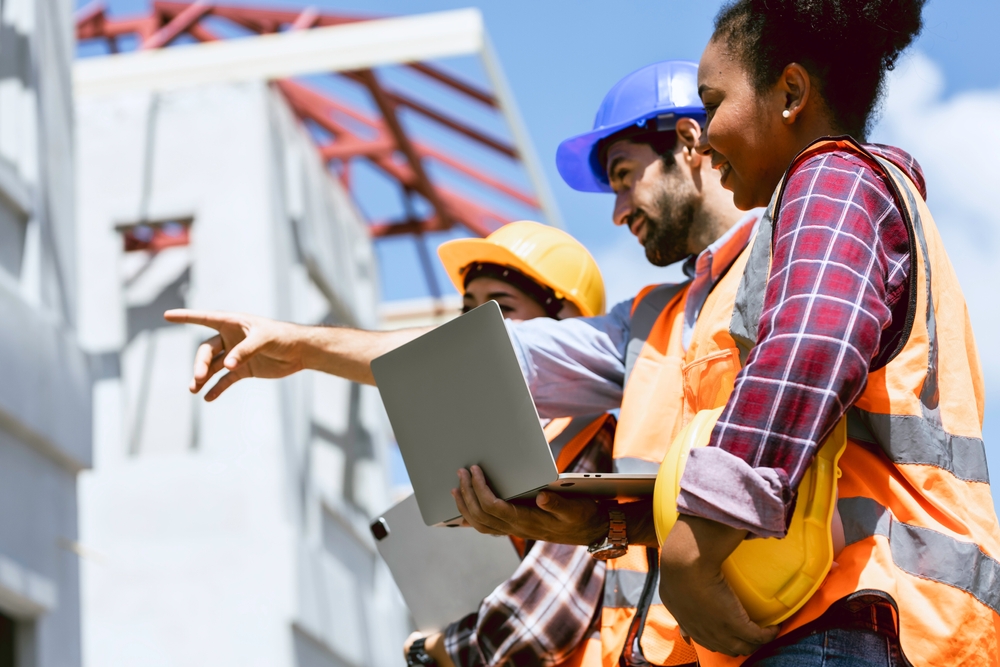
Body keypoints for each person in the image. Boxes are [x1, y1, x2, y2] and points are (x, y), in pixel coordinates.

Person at [165, 60, 755, 666]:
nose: (617, 210)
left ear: (688, 143)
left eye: (625, 176)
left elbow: (540, 619)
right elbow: (477, 362)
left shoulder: (785, 265)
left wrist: (442, 650)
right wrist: (299, 346)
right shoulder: (648, 323)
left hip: (801, 627)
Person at [645, 1, 1000, 665]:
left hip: (844, 619)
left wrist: (697, 544)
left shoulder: (830, 176)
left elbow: (814, 342)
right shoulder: (866, 193)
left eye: (713, 100)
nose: (703, 130)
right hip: (884, 623)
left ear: (791, 92)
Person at [404, 220, 614, 667]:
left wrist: (433, 649)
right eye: (468, 310)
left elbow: (533, 633)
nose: (477, 326)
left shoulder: (594, 442)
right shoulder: (476, 445)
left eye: (501, 308)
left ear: (567, 328)